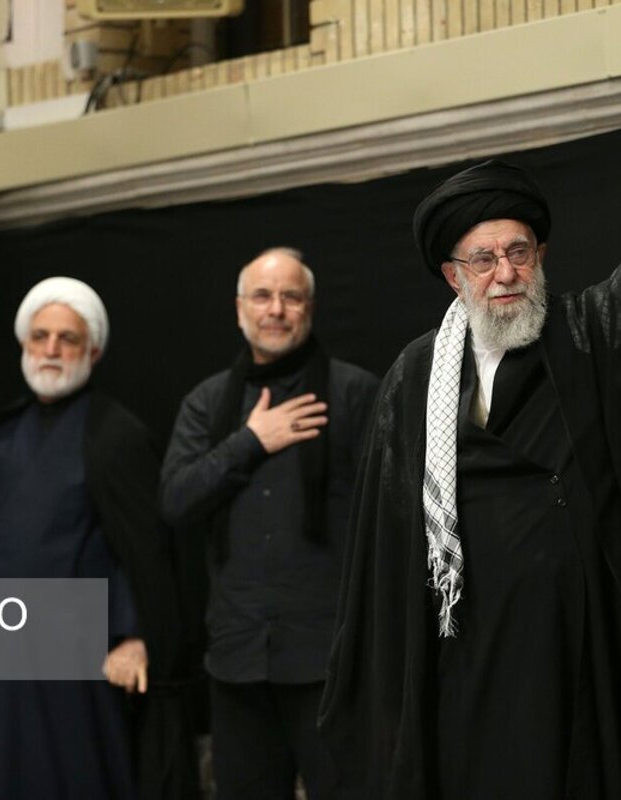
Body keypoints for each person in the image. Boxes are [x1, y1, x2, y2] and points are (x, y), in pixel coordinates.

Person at [318, 27, 621, 799]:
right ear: (454, 276)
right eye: (483, 259)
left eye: (519, 252)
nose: (505, 272)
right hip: (466, 652)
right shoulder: (416, 376)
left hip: (577, 642)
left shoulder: (586, 334)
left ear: (539, 256)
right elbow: (385, 539)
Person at [0, 276, 195, 800]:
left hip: (77, 654)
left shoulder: (115, 435)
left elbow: (143, 549)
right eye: (40, 336)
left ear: (92, 351)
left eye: (67, 339)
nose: (51, 349)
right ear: (24, 346)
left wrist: (133, 635)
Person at [161, 248, 379, 800]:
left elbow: (393, 517)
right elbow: (176, 502)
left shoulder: (355, 393)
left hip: (332, 663)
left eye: (291, 297)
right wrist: (249, 442)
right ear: (240, 309)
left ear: (310, 308)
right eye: (262, 296)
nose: (276, 309)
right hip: (237, 661)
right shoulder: (207, 403)